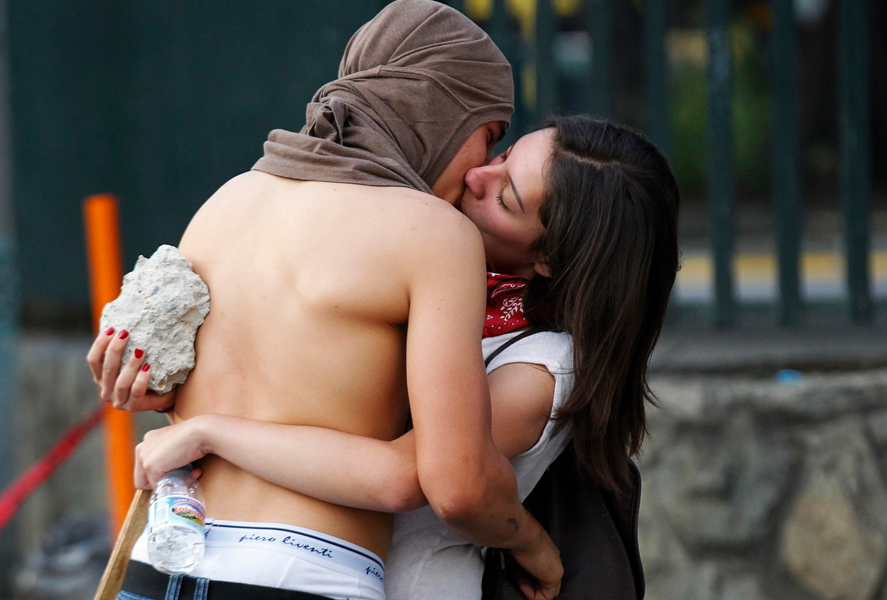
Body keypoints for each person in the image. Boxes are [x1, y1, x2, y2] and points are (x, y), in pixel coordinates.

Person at [89, 2, 564, 600]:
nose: (476, 174)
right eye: (488, 136)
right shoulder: (433, 236)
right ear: (442, 110)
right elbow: (455, 484)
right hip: (302, 575)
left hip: (155, 564)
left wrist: (167, 405)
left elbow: (192, 395)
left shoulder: (227, 201)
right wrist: (537, 550)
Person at [103, 116, 681, 600]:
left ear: (551, 259)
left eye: (505, 197)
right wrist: (176, 395)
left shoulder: (543, 366)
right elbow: (308, 416)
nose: (477, 175)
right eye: (502, 156)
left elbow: (404, 475)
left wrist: (210, 431)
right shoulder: (428, 284)